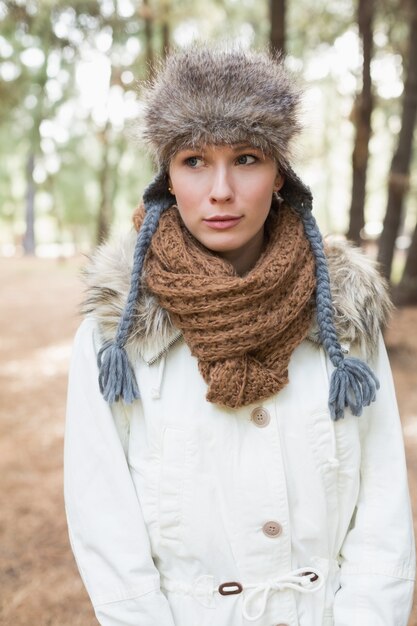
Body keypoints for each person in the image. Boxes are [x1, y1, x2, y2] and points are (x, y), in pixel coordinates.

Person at [64, 46, 415, 626]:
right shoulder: (116, 332)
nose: (221, 189)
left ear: (280, 173)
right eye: (194, 160)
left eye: (247, 158)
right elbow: (104, 521)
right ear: (167, 179)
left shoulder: (344, 318)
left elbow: (382, 511)